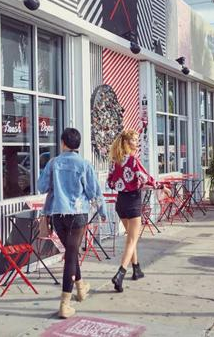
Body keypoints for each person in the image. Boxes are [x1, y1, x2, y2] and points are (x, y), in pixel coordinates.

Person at [38, 128, 107, 319]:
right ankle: (65, 304)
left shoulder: (53, 163)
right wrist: (102, 211)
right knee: (71, 254)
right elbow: (94, 192)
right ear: (78, 144)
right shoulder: (84, 165)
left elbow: (41, 187)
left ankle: (81, 287)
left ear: (63, 143)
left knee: (71, 252)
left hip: (57, 215)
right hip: (78, 214)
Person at [107, 130, 171, 293]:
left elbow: (110, 183)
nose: (137, 143)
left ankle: (136, 269)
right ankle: (120, 274)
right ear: (127, 143)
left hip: (121, 202)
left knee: (131, 237)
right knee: (131, 240)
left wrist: (124, 183)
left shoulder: (115, 161)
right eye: (135, 140)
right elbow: (146, 178)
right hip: (133, 201)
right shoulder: (133, 160)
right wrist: (162, 187)